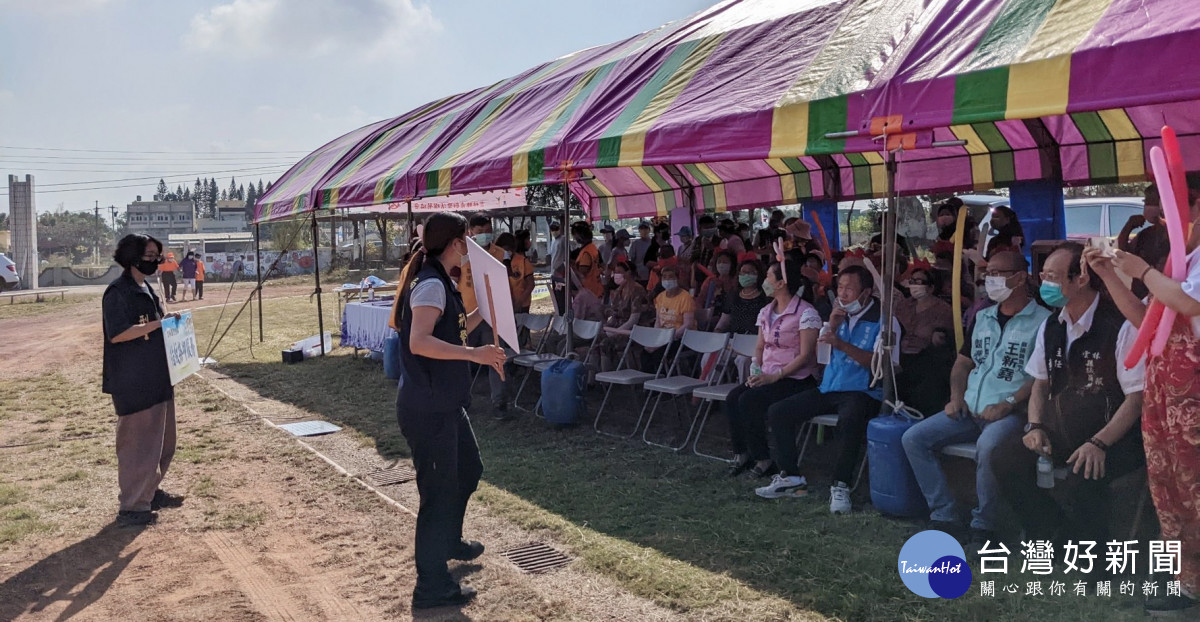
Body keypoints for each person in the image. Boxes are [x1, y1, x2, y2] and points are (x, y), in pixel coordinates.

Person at [993, 243, 1145, 553]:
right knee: (1004, 460)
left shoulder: (1119, 324)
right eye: (1044, 275)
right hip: (1059, 432)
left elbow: (1136, 398)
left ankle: (1097, 560)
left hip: (1113, 439)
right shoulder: (1051, 324)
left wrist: (1099, 442)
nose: (1045, 283)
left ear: (1081, 279)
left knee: (1084, 475)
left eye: (1053, 276)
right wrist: (1034, 426)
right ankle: (1055, 537)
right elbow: (1040, 382)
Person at [393, 212, 506, 610]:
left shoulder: (443, 283)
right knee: (436, 495)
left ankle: (451, 538)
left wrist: (488, 313)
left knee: (469, 469)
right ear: (455, 243)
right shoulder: (429, 286)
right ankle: (431, 587)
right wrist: (474, 353)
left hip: (444, 404)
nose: (470, 248)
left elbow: (455, 328)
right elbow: (420, 341)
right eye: (467, 240)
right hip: (428, 409)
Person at [901, 251, 1050, 549]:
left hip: (1011, 413)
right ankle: (944, 514)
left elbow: (1040, 377)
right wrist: (956, 398)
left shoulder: (1044, 322)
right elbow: (962, 363)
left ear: (1020, 277)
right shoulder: (983, 316)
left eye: (997, 272)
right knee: (913, 438)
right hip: (970, 408)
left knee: (989, 446)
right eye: (987, 272)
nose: (988, 279)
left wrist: (1008, 403)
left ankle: (985, 526)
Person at [1100, 173, 1200, 615]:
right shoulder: (1184, 260)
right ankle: (1187, 581)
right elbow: (1147, 320)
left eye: (1177, 204)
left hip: (1194, 396)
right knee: (1171, 489)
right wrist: (1109, 272)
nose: (1163, 217)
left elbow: (1188, 304)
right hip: (1167, 393)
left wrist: (1142, 270)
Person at [758, 265, 902, 514]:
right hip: (831, 386)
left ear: (866, 292)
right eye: (840, 287)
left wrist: (841, 343)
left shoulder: (885, 321)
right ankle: (791, 478)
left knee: (850, 419)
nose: (843, 294)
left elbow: (887, 366)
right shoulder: (837, 316)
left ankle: (841, 484)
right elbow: (822, 357)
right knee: (779, 411)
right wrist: (831, 327)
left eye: (850, 289)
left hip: (863, 391)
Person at [102, 234, 184, 527]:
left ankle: (150, 491)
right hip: (133, 380)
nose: (156, 261)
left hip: (157, 376)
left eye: (158, 256)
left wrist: (169, 323)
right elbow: (118, 333)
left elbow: (154, 326)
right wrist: (158, 324)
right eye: (151, 255)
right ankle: (133, 506)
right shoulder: (117, 292)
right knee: (138, 445)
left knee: (162, 442)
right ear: (133, 257)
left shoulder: (145, 286)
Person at [725, 258, 821, 479]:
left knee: (749, 401)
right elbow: (760, 346)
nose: (764, 281)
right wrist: (756, 371)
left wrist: (774, 376)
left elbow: (806, 356)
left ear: (781, 283)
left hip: (795, 379)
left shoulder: (806, 313)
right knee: (733, 398)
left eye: (768, 276)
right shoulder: (767, 311)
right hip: (768, 375)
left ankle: (764, 459)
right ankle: (742, 453)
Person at [459, 213, 513, 419]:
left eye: (488, 231)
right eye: (480, 232)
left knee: (495, 357)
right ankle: (461, 400)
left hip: (491, 316)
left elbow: (506, 283)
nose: (484, 235)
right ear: (470, 232)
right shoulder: (462, 253)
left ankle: (500, 403)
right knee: (461, 356)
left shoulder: (500, 254)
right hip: (466, 314)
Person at [894, 265, 956, 415]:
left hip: (928, 362)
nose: (914, 285)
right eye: (912, 280)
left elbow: (944, 340)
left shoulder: (943, 310)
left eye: (920, 282)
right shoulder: (904, 305)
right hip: (900, 358)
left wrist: (929, 342)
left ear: (931, 287)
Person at [1116, 183, 1171, 299]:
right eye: (1146, 202)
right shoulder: (1146, 234)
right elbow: (1123, 252)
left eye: (1153, 202)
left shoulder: (1176, 235)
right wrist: (1128, 227)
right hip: (1140, 295)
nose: (1148, 207)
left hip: (1164, 295)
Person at [598, 261, 652, 372]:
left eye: (619, 272)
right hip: (620, 326)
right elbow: (615, 313)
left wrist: (616, 332)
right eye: (615, 272)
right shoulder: (620, 290)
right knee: (597, 339)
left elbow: (634, 319)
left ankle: (609, 379)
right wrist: (608, 326)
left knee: (605, 343)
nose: (616, 275)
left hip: (636, 328)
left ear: (629, 273)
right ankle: (595, 380)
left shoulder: (637, 290)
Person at [642, 265, 696, 372]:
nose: (667, 280)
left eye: (670, 277)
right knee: (645, 351)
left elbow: (688, 324)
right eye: (664, 277)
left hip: (680, 337)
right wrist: (656, 338)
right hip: (663, 335)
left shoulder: (685, 298)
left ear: (677, 278)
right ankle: (649, 382)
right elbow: (658, 320)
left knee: (658, 353)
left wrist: (670, 337)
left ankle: (660, 379)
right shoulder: (660, 297)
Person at [713, 257, 769, 335]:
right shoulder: (733, 295)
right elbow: (724, 320)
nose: (746, 275)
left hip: (754, 340)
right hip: (732, 340)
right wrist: (717, 331)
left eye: (750, 272)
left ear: (759, 275)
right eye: (743, 272)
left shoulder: (765, 297)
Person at [696, 250, 738, 327]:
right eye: (719, 262)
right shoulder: (710, 280)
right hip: (709, 317)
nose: (721, 264)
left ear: (732, 264)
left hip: (729, 317)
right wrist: (703, 315)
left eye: (725, 262)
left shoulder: (736, 280)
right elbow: (701, 298)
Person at [495, 232, 534, 313]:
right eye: (504, 249)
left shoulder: (522, 261)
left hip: (521, 304)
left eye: (509, 249)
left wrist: (520, 302)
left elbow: (531, 284)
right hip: (502, 304)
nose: (506, 252)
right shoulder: (495, 260)